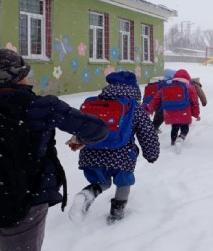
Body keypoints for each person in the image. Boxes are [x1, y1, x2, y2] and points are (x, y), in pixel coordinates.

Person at [0, 48, 108, 250]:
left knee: (6, 237)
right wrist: (81, 137)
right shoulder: (42, 107)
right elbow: (98, 129)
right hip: (27, 197)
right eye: (24, 74)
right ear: (15, 77)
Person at [69, 71, 160, 224]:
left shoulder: (94, 103)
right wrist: (151, 154)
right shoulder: (134, 107)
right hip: (122, 155)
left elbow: (80, 126)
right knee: (124, 182)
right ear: (133, 88)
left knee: (102, 182)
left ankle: (86, 195)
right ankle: (116, 215)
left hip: (91, 152)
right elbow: (147, 132)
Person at [146, 69, 201, 151]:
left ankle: (173, 143)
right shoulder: (190, 87)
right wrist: (196, 114)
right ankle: (181, 138)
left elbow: (156, 99)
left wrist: (150, 109)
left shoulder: (166, 86)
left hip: (170, 112)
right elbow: (195, 102)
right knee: (185, 128)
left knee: (174, 127)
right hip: (184, 112)